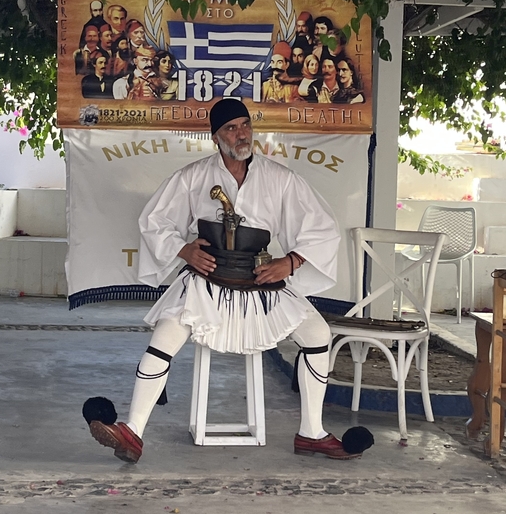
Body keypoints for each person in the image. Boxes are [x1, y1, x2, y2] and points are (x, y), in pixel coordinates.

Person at [86, 98, 368, 464]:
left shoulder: (280, 179)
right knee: (166, 334)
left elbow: (322, 228)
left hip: (260, 279)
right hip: (207, 278)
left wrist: (292, 261)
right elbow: (154, 222)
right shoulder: (193, 177)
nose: (241, 134)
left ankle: (311, 433)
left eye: (245, 125)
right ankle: (133, 432)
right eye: (231, 128)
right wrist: (185, 251)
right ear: (215, 136)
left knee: (318, 335)